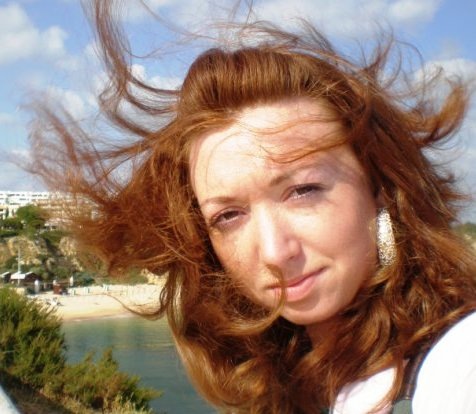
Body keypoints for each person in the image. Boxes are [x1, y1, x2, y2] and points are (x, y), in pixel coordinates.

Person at [29, 1, 476, 413]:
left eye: (303, 190)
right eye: (228, 216)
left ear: (378, 186)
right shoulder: (303, 384)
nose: (275, 253)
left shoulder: (458, 366)